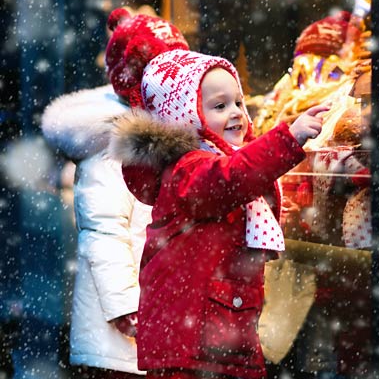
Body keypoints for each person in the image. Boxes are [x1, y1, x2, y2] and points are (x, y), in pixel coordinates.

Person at [109, 48, 328, 379]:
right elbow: (233, 178)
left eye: (239, 102)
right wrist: (288, 139)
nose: (237, 113)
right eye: (220, 106)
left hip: (218, 329)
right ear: (187, 115)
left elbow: (239, 182)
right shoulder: (189, 169)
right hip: (195, 339)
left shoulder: (214, 165)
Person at [41, 8, 190, 378]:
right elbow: (103, 232)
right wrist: (125, 305)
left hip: (155, 312)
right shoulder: (114, 145)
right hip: (123, 329)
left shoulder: (163, 136)